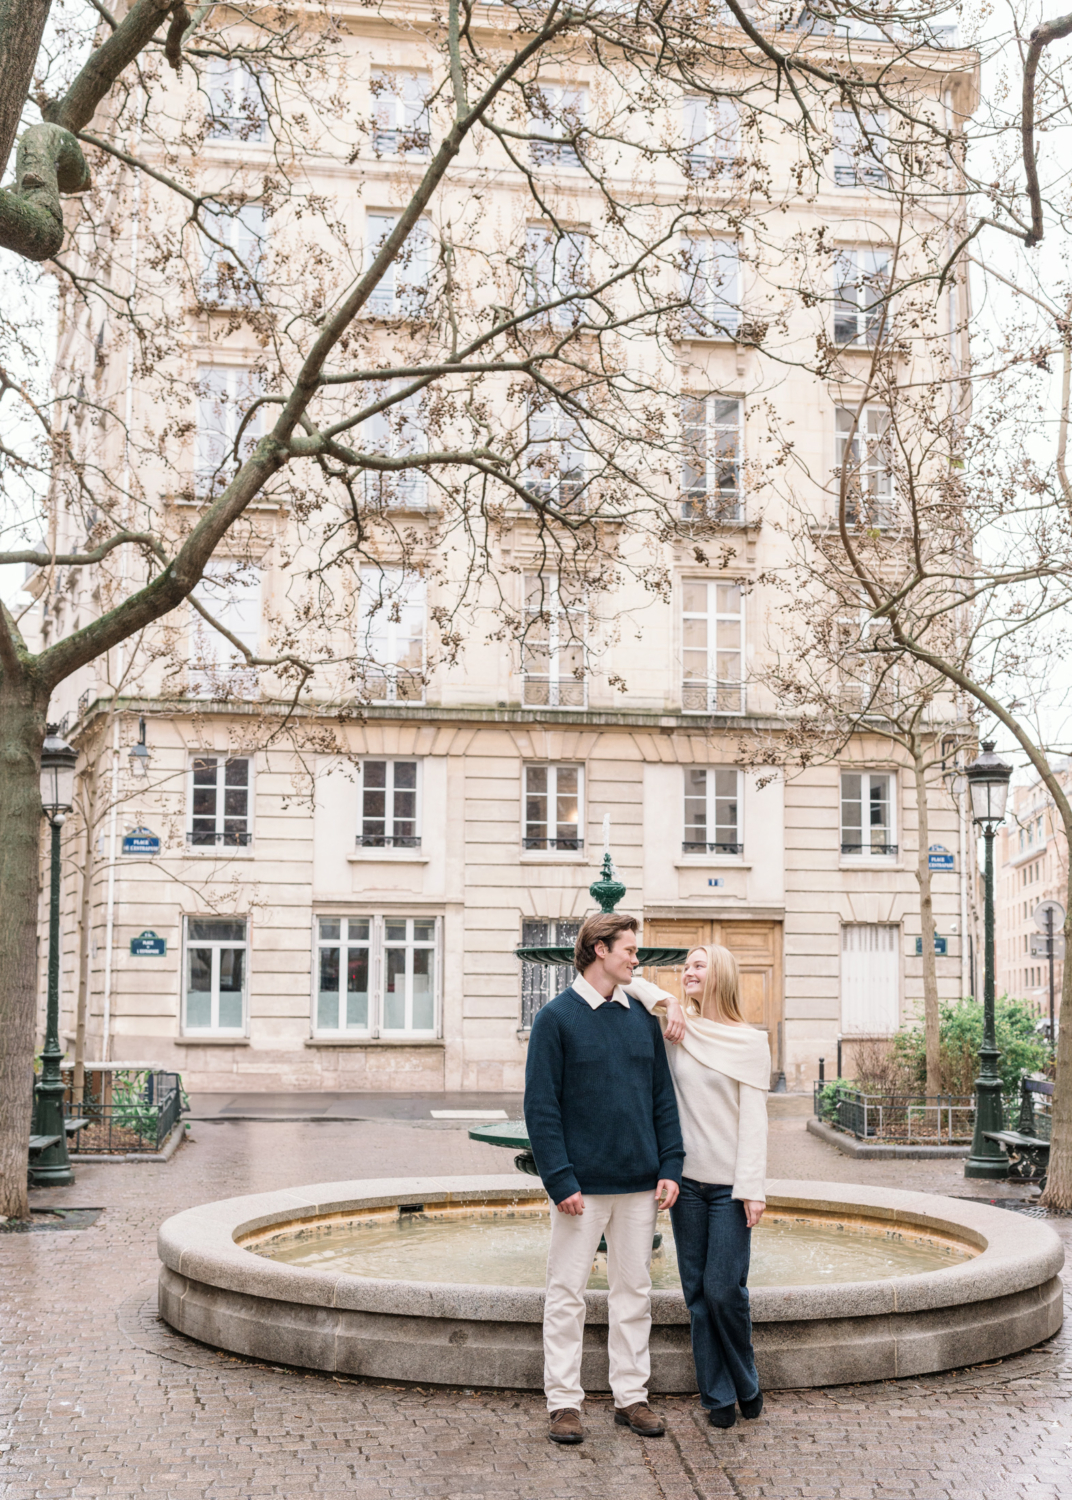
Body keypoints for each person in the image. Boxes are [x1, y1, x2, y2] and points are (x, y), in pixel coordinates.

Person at [524, 911, 685, 1446]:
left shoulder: (640, 1019)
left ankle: (631, 1397)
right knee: (566, 1294)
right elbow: (541, 1109)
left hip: (641, 1186)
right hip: (581, 1191)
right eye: (629, 950)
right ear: (599, 949)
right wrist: (561, 1180)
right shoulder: (555, 1019)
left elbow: (663, 1098)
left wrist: (670, 1165)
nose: (637, 959)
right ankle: (564, 1404)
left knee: (634, 1292)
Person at [631, 944, 769, 1429]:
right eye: (685, 965)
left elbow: (754, 1121)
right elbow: (628, 980)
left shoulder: (749, 1042)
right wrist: (668, 1002)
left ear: (721, 976)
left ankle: (746, 1381)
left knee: (723, 1289)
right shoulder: (678, 1030)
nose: (688, 972)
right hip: (685, 1184)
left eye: (698, 966)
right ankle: (718, 1398)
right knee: (696, 1295)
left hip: (729, 1188)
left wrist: (752, 1187)